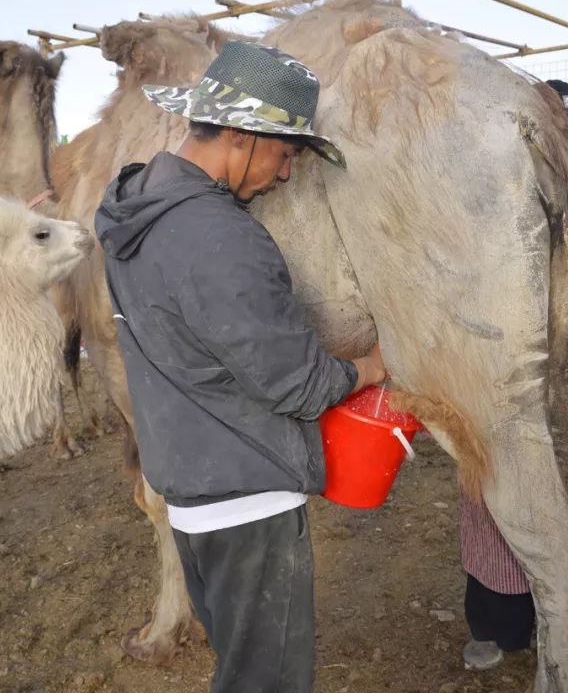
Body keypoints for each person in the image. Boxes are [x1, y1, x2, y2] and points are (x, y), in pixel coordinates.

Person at [95, 41, 387, 693]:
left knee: (239, 665)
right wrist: (370, 366)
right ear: (237, 135)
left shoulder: (131, 213)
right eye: (284, 153)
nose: (285, 175)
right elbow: (298, 383)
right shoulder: (219, 235)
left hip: (192, 497)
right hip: (248, 504)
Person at [458, 79, 568, 693]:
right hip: (509, 393)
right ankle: (498, 625)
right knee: (496, 507)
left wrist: (527, 317)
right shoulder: (495, 207)